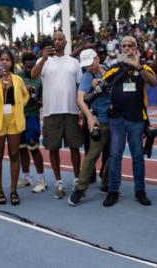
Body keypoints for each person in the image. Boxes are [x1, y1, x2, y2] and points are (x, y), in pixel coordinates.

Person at [103, 36, 157, 207]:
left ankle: (140, 191)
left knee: (138, 157)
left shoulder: (144, 67)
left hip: (136, 119)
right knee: (115, 156)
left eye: (130, 46)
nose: (126, 48)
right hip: (117, 119)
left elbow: (153, 82)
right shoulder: (114, 68)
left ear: (135, 48)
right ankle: (113, 191)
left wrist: (138, 66)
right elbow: (101, 84)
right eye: (124, 46)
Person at [31, 30, 83, 199]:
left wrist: (82, 110)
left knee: (74, 147)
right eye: (55, 39)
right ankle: (59, 182)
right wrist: (44, 58)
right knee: (53, 148)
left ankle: (76, 180)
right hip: (51, 112)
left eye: (60, 39)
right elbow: (33, 75)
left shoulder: (74, 62)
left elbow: (80, 87)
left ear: (66, 41)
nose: (58, 42)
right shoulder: (43, 61)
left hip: (71, 111)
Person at [0, 49, 29, 205]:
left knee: (14, 154)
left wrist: (20, 107)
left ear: (12, 62)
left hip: (14, 121)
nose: (4, 62)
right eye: (1, 59)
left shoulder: (17, 79)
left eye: (7, 60)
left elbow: (25, 95)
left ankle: (13, 190)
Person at [69, 49, 112, 206]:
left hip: (116, 120)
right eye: (85, 65)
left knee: (114, 155)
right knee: (92, 155)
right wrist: (89, 117)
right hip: (100, 120)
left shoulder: (110, 70)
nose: (88, 68)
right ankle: (80, 189)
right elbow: (80, 99)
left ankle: (107, 183)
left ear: (97, 59)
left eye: (90, 64)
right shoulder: (88, 76)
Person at [16, 53, 47, 193]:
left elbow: (43, 102)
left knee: (33, 147)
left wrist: (35, 100)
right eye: (27, 66)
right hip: (17, 116)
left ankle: (41, 180)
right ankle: (26, 177)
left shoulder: (40, 80)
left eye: (32, 66)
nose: (30, 69)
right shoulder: (17, 77)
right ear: (23, 65)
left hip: (32, 116)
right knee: (21, 148)